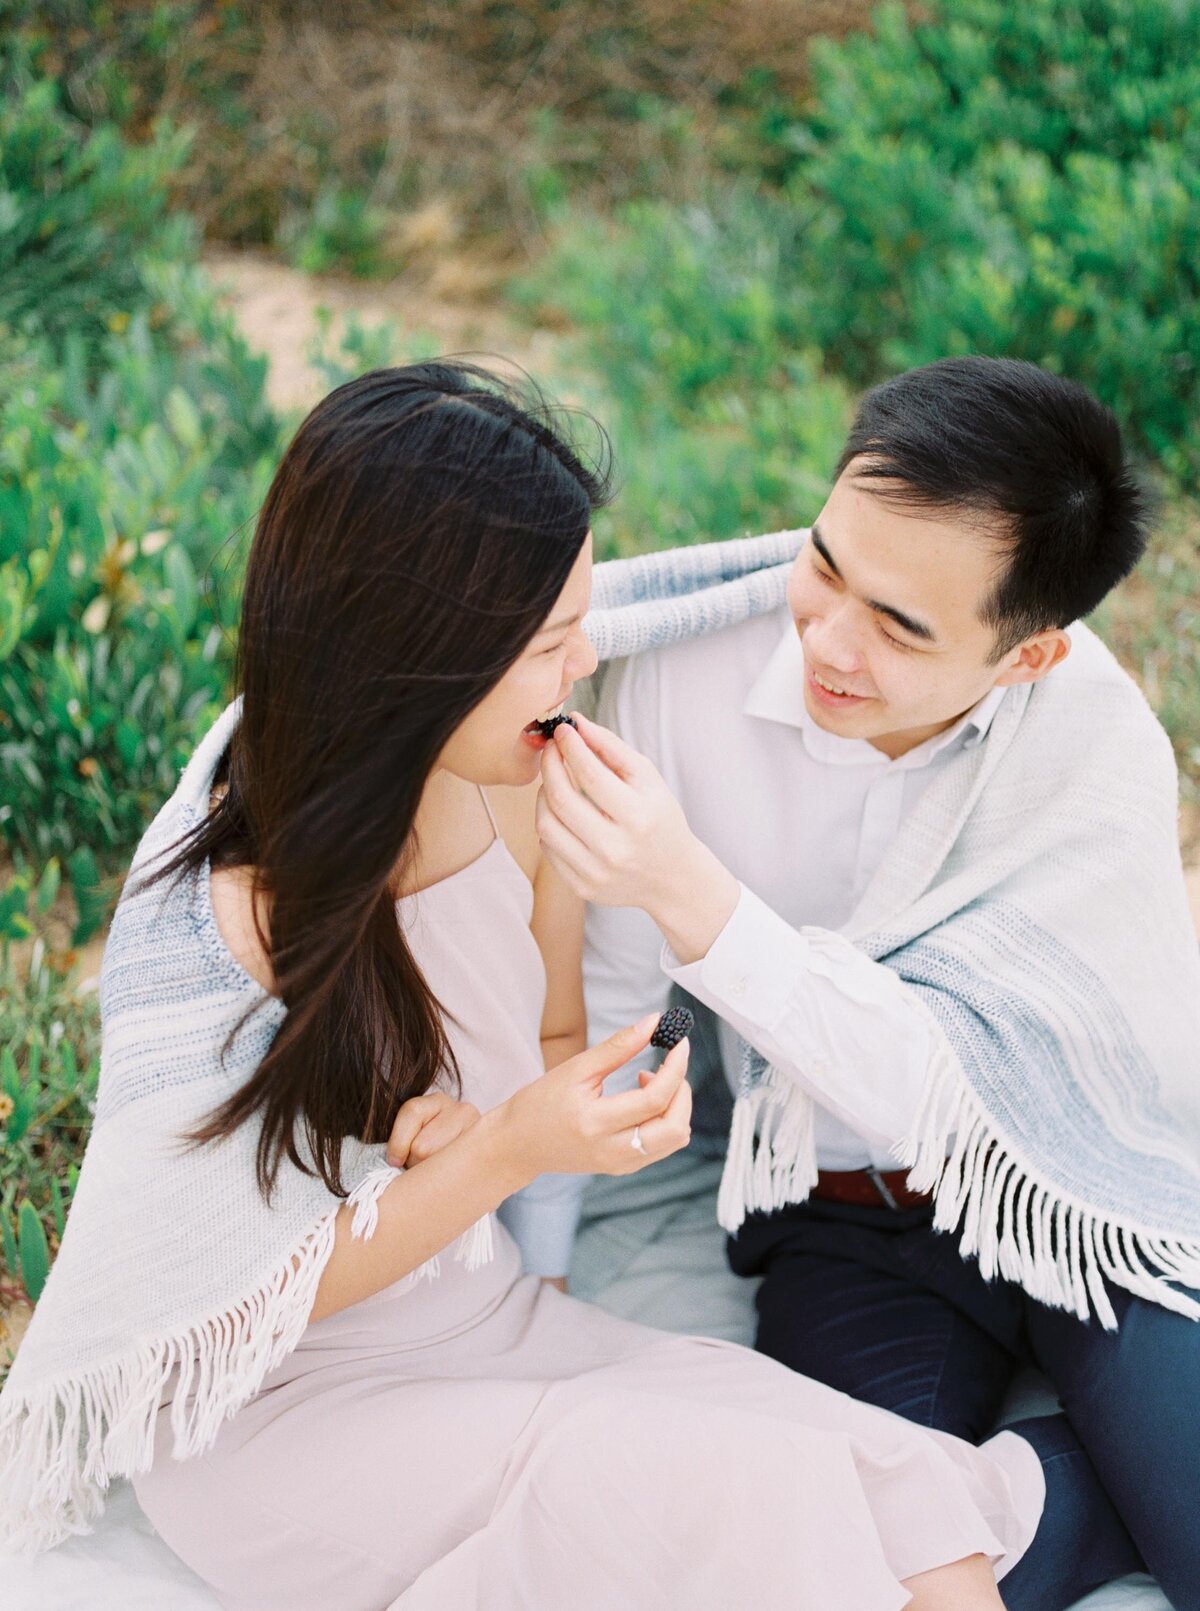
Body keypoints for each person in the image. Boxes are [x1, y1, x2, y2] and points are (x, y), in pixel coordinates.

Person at [0, 363, 1041, 1611]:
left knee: (905, 1496)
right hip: (286, 1415)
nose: (587, 662)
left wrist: (581, 1107)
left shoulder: (515, 792)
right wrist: (492, 1154)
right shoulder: (247, 906)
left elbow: (546, 1037)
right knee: (728, 1495)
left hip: (488, 1324)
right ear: (417, 658)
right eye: (552, 644)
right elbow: (221, 1296)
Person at [541, 357, 1200, 1611]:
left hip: (1075, 1197)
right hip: (847, 1212)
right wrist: (543, 1288)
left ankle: (1107, 1470)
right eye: (827, 564)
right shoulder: (686, 679)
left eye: (900, 627)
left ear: (1028, 657)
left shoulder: (1092, 742)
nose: (828, 642)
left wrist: (698, 896)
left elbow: (956, 1079)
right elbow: (628, 1009)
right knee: (840, 1569)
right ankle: (1083, 1482)